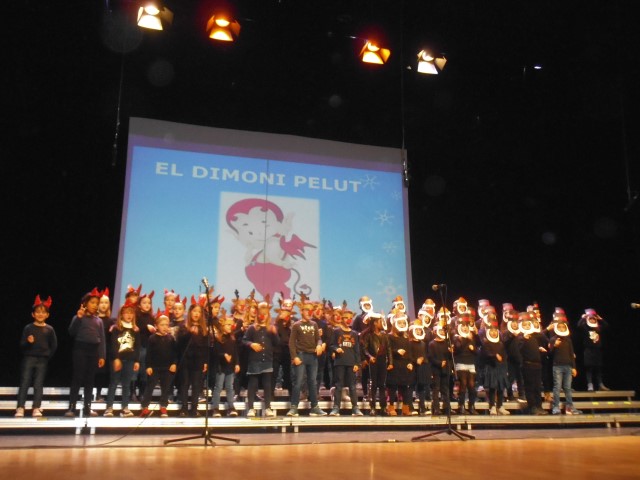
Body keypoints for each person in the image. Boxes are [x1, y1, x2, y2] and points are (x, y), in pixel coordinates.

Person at [15, 295, 58, 418]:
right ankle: (20, 407)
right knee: (25, 381)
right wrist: (28, 342)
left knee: (38, 383)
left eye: (43, 312)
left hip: (42, 360)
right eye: (38, 312)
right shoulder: (28, 328)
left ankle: (36, 407)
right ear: (33, 314)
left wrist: (47, 356)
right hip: (29, 358)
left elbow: (54, 345)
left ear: (47, 315)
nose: (40, 314)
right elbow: (21, 345)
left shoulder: (49, 329)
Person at [65, 289, 106, 417]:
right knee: (77, 378)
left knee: (90, 379)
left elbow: (102, 339)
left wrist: (102, 355)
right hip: (80, 350)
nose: (95, 305)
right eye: (92, 302)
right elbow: (71, 332)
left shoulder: (98, 321)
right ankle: (72, 407)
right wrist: (78, 318)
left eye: (96, 303)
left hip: (93, 351)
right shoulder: (78, 317)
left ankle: (87, 407)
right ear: (85, 303)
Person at [286, 301, 326, 416]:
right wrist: (294, 357)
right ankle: (294, 407)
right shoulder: (296, 325)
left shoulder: (314, 324)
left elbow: (318, 339)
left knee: (313, 382)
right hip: (301, 355)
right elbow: (291, 343)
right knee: (298, 382)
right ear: (301, 311)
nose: (309, 312)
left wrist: (319, 345)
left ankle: (314, 407)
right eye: (307, 310)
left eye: (311, 310)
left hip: (312, 357)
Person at [104, 300, 141, 417]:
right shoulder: (116, 328)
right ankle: (109, 407)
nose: (129, 315)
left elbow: (137, 346)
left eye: (131, 313)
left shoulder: (135, 330)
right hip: (117, 360)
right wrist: (116, 358)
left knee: (126, 384)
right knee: (114, 383)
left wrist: (137, 360)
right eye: (126, 313)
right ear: (121, 315)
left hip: (130, 360)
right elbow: (113, 345)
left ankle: (125, 407)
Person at [243, 300, 279, 417]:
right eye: (260, 314)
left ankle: (268, 407)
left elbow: (277, 343)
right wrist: (251, 344)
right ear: (257, 315)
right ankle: (251, 408)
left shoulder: (271, 328)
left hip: (267, 360)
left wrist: (274, 333)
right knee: (253, 384)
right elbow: (244, 340)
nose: (262, 316)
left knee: (267, 385)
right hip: (254, 360)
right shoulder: (252, 328)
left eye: (265, 314)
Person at [140, 311, 177, 418]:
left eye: (166, 325)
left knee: (166, 388)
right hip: (155, 368)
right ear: (156, 326)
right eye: (162, 325)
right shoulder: (152, 338)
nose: (165, 327)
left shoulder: (171, 338)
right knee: (150, 387)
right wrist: (148, 366)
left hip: (167, 368)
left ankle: (163, 406)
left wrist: (174, 363)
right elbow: (149, 354)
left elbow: (175, 353)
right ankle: (145, 406)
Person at [176, 302, 209, 417]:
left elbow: (205, 347)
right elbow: (179, 343)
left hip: (198, 360)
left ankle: (194, 408)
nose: (196, 314)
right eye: (194, 311)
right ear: (190, 313)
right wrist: (189, 333)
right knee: (185, 384)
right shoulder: (183, 327)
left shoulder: (203, 329)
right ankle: (184, 408)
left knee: (196, 385)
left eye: (199, 312)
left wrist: (205, 362)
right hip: (185, 360)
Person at [329, 308, 363, 416]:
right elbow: (331, 345)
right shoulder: (336, 331)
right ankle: (336, 408)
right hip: (340, 362)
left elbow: (356, 349)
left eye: (350, 318)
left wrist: (357, 364)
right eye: (346, 318)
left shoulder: (354, 334)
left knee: (352, 386)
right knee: (339, 385)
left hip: (351, 362)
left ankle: (355, 408)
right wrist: (336, 349)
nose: (348, 320)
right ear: (342, 318)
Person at [549, 315, 582, 415]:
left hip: (568, 366)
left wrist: (574, 367)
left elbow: (571, 354)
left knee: (568, 387)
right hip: (557, 366)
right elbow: (550, 355)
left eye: (563, 327)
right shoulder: (553, 339)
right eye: (559, 327)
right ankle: (556, 407)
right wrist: (554, 346)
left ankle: (569, 407)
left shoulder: (568, 340)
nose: (561, 328)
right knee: (557, 387)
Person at [361, 312, 392, 416]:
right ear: (375, 323)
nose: (381, 323)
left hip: (383, 361)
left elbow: (388, 349)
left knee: (382, 385)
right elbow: (364, 349)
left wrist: (390, 362)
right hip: (374, 361)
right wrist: (370, 356)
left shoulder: (384, 335)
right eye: (380, 321)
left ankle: (383, 407)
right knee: (373, 384)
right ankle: (373, 407)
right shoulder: (369, 336)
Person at [517, 312, 548, 415]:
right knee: (529, 387)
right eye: (525, 325)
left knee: (537, 387)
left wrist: (539, 349)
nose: (527, 326)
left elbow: (543, 338)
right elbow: (519, 349)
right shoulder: (520, 337)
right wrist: (524, 339)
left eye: (528, 325)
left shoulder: (535, 336)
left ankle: (539, 406)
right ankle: (532, 407)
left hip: (537, 365)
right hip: (527, 365)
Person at [387, 311, 417, 416]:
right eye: (400, 323)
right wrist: (396, 351)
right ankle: (391, 407)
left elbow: (410, 351)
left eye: (404, 323)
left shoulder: (406, 338)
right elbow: (388, 350)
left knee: (404, 387)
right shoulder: (389, 337)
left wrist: (410, 362)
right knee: (392, 387)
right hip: (394, 364)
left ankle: (405, 407)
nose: (402, 325)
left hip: (404, 364)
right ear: (395, 324)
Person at [211, 314, 240, 417]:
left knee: (229, 387)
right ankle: (215, 408)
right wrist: (224, 355)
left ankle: (231, 407)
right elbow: (215, 352)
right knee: (218, 387)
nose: (230, 327)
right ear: (222, 326)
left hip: (230, 367)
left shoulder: (232, 338)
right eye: (228, 325)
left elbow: (235, 352)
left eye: (231, 325)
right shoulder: (218, 338)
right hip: (221, 367)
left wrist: (237, 363)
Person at [481, 323, 510, 415]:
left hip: (500, 368)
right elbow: (486, 354)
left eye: (495, 331)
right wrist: (495, 355)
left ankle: (500, 406)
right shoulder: (486, 343)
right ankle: (492, 406)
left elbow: (504, 357)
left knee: (501, 387)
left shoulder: (501, 344)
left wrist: (506, 369)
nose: (493, 333)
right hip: (491, 367)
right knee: (492, 388)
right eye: (492, 331)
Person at [577, 308, 609, 391]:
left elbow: (606, 325)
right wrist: (583, 318)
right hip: (588, 350)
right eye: (590, 319)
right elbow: (579, 325)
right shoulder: (585, 327)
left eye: (593, 319)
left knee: (598, 368)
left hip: (597, 350)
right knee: (589, 368)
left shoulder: (598, 328)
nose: (592, 320)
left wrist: (600, 318)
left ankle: (600, 384)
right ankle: (590, 385)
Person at [453, 313, 478, 415]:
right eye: (463, 326)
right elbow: (458, 350)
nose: (465, 328)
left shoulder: (471, 337)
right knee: (463, 384)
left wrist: (473, 347)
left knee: (471, 385)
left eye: (466, 326)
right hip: (461, 362)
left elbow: (476, 351)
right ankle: (461, 406)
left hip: (470, 362)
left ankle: (471, 406)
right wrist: (466, 340)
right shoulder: (457, 337)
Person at [95, 288, 114, 402]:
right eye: (101, 302)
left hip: (106, 350)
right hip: (94, 349)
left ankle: (98, 393)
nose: (103, 305)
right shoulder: (94, 319)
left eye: (106, 302)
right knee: (94, 372)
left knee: (102, 373)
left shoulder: (111, 321)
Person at [428, 323, 451, 416]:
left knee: (445, 389)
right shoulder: (432, 344)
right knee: (436, 389)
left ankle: (447, 408)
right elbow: (431, 357)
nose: (442, 332)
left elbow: (449, 357)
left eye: (443, 331)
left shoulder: (446, 343)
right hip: (436, 369)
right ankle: (436, 408)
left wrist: (450, 352)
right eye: (440, 331)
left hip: (445, 369)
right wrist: (439, 363)